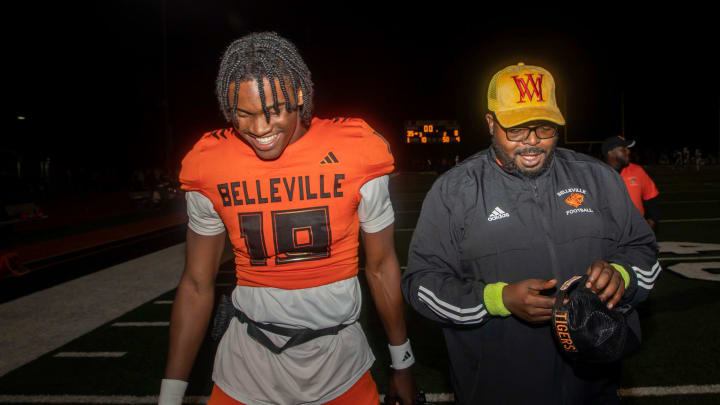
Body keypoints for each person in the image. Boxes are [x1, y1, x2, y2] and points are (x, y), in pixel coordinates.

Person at [160, 32, 416, 405]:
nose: (260, 129)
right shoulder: (209, 161)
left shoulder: (357, 149)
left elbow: (380, 265)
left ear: (299, 94)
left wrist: (402, 361)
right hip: (245, 366)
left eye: (272, 110)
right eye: (243, 114)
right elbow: (197, 284)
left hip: (340, 363)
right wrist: (170, 395)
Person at [401, 63, 659, 404]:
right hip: (496, 388)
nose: (532, 141)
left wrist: (622, 275)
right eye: (517, 129)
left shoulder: (599, 179)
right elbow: (420, 285)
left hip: (593, 386)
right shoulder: (454, 191)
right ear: (491, 123)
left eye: (544, 128)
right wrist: (498, 299)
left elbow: (644, 252)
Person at [602, 136, 660, 230]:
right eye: (624, 148)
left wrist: (652, 220)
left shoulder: (637, 171)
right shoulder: (596, 174)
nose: (628, 151)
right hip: (608, 231)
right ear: (611, 152)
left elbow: (651, 196)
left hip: (636, 230)